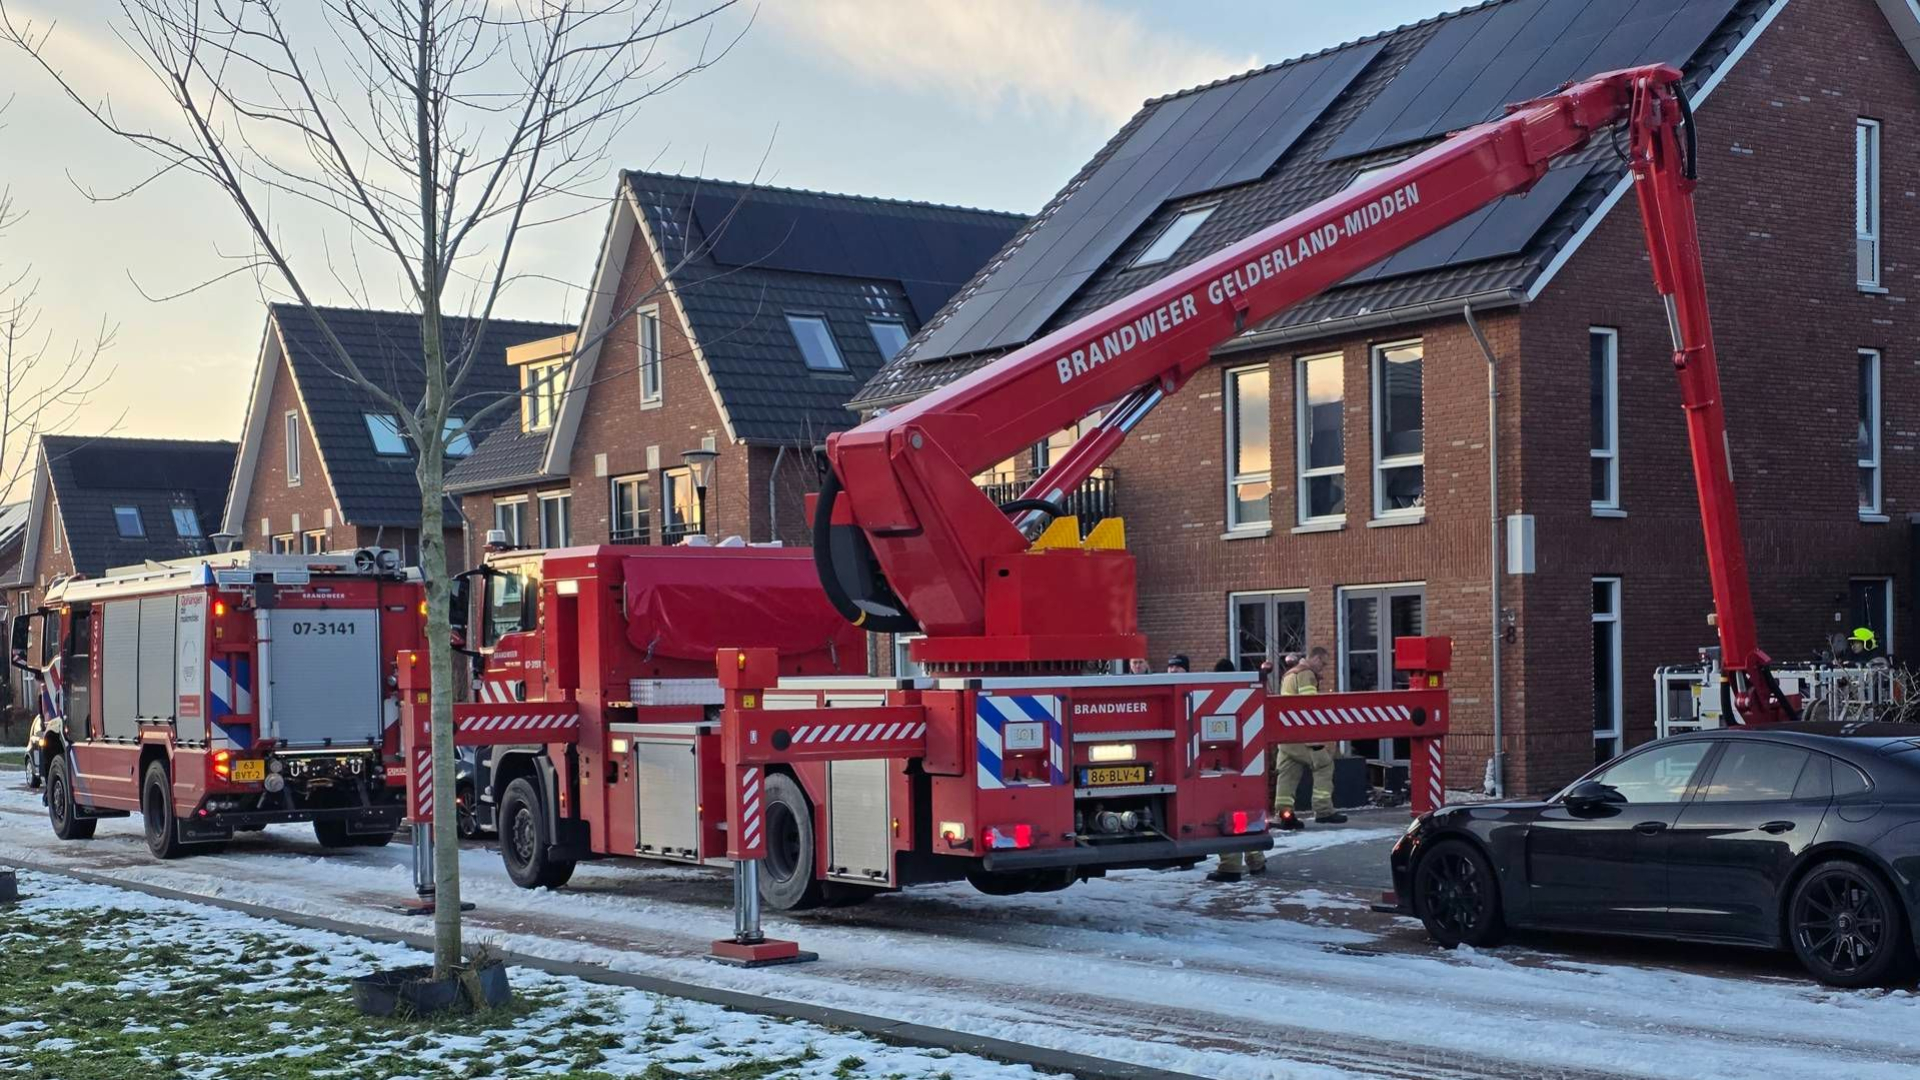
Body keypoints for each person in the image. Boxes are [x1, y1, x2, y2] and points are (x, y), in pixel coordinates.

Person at [1274, 648, 1346, 828]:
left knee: (1288, 772)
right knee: (1324, 764)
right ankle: (1323, 810)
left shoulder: (1289, 674)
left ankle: (1284, 813)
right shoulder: (1306, 674)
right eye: (1322, 663)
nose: (1323, 668)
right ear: (1315, 658)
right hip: (1301, 735)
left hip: (1285, 734)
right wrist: (1316, 740)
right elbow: (1310, 707)